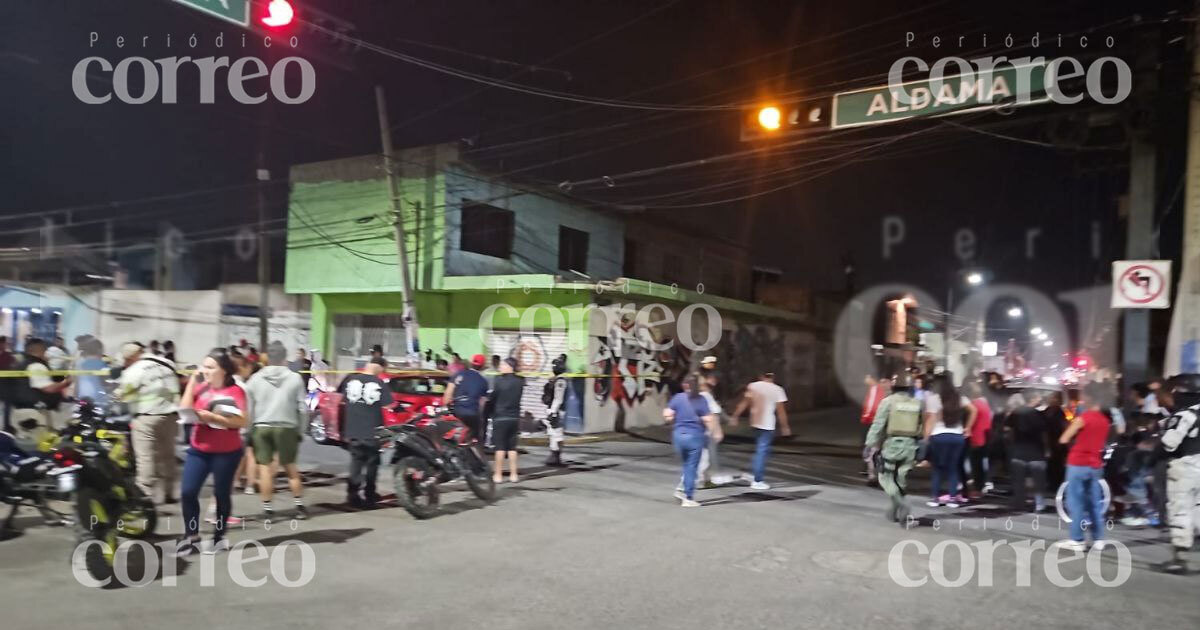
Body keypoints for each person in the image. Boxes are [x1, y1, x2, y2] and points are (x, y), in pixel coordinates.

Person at [177, 349, 248, 556]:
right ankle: (192, 536)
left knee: (221, 494)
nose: (205, 370)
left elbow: (242, 421)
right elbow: (184, 408)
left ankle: (219, 537)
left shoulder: (235, 391)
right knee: (188, 492)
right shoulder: (201, 388)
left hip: (226, 452)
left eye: (210, 367)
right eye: (204, 366)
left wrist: (213, 418)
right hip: (199, 449)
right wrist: (192, 381)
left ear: (223, 370)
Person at [246, 341, 309, 522]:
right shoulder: (294, 378)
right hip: (287, 426)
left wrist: (249, 430)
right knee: (290, 467)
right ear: (284, 357)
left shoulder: (255, 379)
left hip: (262, 426)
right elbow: (303, 408)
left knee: (265, 469)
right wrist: (301, 430)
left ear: (267, 358)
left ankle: (268, 511)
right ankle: (299, 507)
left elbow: (249, 408)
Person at [116, 341, 181, 503]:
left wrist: (116, 394)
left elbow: (125, 395)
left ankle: (144, 495)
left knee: (146, 457)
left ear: (130, 358)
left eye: (126, 360)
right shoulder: (167, 363)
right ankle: (169, 493)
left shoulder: (134, 370)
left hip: (147, 418)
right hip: (171, 416)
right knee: (168, 456)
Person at [1055, 382, 1112, 552]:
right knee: (1094, 502)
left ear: (1087, 398)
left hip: (1078, 463)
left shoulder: (1082, 419)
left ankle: (1077, 540)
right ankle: (1098, 539)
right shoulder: (1104, 421)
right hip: (1095, 465)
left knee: (1076, 503)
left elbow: (1063, 439)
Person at [1152, 376, 1200, 573]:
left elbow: (1169, 443)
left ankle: (1179, 559)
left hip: (1185, 466)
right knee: (1198, 508)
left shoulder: (1184, 415)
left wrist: (1153, 457)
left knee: (1180, 508)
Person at [864, 374, 922, 524]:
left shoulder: (888, 402)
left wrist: (869, 444)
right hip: (910, 446)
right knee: (901, 478)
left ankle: (903, 504)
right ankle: (894, 512)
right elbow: (920, 426)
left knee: (885, 477)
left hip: (893, 445)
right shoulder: (917, 403)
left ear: (893, 386)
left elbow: (878, 425)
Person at [663, 375, 720, 508]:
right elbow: (708, 419)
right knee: (691, 467)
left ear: (684, 385)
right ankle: (688, 497)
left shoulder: (678, 398)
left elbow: (667, 415)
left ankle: (682, 489)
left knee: (686, 465)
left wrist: (671, 419)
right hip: (695, 437)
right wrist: (713, 433)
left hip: (678, 436)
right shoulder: (701, 400)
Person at [729, 371, 790, 490]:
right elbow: (781, 411)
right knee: (762, 451)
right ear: (773, 376)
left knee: (762, 450)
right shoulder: (777, 389)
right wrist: (785, 427)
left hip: (755, 422)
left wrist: (735, 416)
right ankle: (757, 480)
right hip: (767, 424)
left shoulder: (753, 386)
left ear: (761, 376)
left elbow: (744, 403)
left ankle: (752, 473)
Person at [922, 376, 976, 508]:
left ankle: (935, 498)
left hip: (939, 436)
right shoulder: (959, 398)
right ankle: (952, 498)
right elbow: (974, 410)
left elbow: (930, 420)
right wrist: (968, 427)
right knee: (953, 468)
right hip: (957, 436)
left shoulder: (933, 399)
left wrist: (925, 437)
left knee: (937, 468)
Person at [343, 358, 388, 507]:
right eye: (383, 370)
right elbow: (390, 404)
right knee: (372, 463)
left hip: (353, 429)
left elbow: (344, 401)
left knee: (356, 462)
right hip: (372, 430)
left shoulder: (350, 380)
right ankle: (369, 494)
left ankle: (352, 495)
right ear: (379, 367)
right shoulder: (379, 383)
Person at [11, 338, 72, 434]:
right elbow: (48, 388)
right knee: (39, 442)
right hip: (34, 412)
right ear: (41, 350)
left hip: (25, 408)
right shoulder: (36, 366)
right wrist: (67, 382)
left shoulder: (24, 364)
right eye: (45, 350)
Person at [1004, 391, 1049, 512]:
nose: (1040, 400)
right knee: (1038, 480)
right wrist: (1047, 449)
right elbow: (1044, 434)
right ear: (1033, 399)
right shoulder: (1039, 415)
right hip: (1036, 452)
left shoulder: (1016, 413)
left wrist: (1013, 442)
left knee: (1018, 480)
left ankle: (1019, 503)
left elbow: (1007, 429)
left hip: (1018, 452)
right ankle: (1039, 504)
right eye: (1038, 398)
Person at [488, 357, 524, 483]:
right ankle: (514, 475)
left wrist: (488, 411)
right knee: (512, 448)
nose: (501, 367)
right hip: (514, 417)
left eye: (503, 365)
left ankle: (498, 475)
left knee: (500, 447)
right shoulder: (520, 381)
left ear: (510, 367)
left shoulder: (499, 381)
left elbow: (493, 398)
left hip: (500, 416)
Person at [443, 353, 489, 447]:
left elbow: (448, 394)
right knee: (474, 439)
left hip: (458, 412)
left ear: (471, 363)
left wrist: (446, 406)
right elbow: (482, 404)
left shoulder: (459, 374)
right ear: (483, 367)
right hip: (472, 414)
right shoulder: (483, 381)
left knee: (449, 436)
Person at [859, 374, 890, 484]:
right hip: (871, 422)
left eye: (867, 378)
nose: (865, 380)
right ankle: (871, 472)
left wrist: (867, 418)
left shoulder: (878, 390)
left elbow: (873, 408)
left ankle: (874, 476)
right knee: (871, 448)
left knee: (872, 449)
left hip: (874, 423)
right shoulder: (874, 389)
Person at [965, 382, 993, 497]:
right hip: (985, 436)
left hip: (977, 436)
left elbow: (973, 422)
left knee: (975, 463)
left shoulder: (973, 405)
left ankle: (977, 487)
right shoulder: (984, 404)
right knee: (980, 462)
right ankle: (981, 485)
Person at [73, 336, 108, 407]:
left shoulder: (79, 362)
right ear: (98, 350)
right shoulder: (99, 363)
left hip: (82, 397)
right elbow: (104, 381)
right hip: (96, 398)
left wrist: (76, 398)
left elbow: (76, 382)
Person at [0, 336, 14, 431]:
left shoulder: (8, 355)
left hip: (6, 384)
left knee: (7, 405)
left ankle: (6, 426)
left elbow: (13, 368)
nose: (6, 345)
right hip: (5, 384)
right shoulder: (8, 356)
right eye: (6, 343)